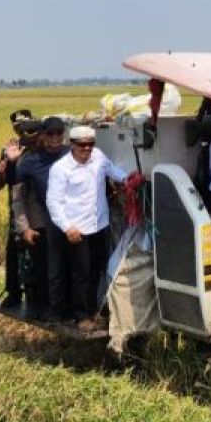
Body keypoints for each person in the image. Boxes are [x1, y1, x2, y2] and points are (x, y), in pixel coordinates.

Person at [46, 125, 128, 332]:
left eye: (91, 144)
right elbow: (53, 202)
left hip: (99, 225)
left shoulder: (98, 157)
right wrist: (67, 227)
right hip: (77, 230)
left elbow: (112, 170)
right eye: (82, 145)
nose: (87, 149)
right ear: (72, 145)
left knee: (96, 270)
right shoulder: (61, 169)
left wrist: (129, 179)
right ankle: (81, 316)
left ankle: (93, 312)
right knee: (80, 274)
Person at [12, 117, 69, 320]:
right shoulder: (28, 161)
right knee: (43, 269)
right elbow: (18, 198)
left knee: (68, 268)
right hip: (41, 224)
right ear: (43, 135)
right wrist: (23, 228)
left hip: (71, 223)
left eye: (58, 133)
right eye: (50, 134)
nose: (55, 138)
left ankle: (64, 309)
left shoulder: (72, 155)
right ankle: (42, 309)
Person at [0, 109, 39, 310]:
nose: (23, 131)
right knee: (15, 253)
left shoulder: (43, 146)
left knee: (36, 257)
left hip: (39, 211)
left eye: (27, 126)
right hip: (18, 211)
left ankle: (35, 298)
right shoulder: (9, 151)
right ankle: (13, 293)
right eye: (19, 127)